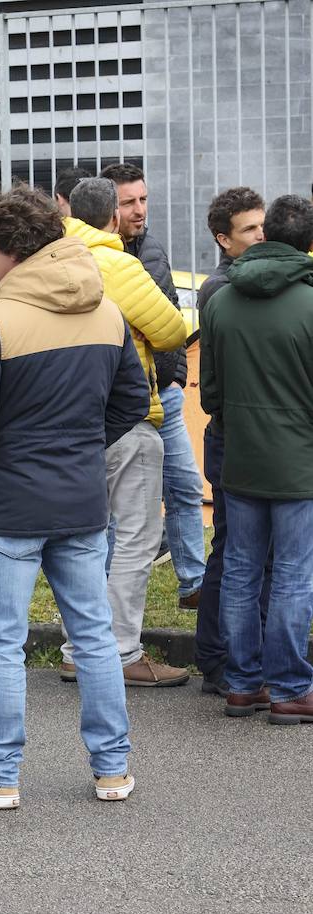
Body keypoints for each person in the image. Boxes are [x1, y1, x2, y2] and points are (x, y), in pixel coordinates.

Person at [0, 186, 148, 809]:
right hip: (81, 498)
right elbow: (132, 402)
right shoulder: (106, 311)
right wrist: (85, 446)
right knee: (93, 636)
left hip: (7, 503)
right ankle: (113, 769)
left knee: (3, 643)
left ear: (10, 251)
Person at [60, 178, 190, 687]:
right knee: (135, 540)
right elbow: (172, 330)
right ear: (113, 218)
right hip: (124, 417)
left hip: (65, 424)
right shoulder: (117, 264)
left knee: (83, 544)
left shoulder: (50, 259)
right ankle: (121, 652)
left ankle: (76, 649)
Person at [200, 194, 313, 723]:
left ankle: (242, 684)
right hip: (298, 462)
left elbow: (211, 397)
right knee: (292, 573)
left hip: (240, 455)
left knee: (241, 570)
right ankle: (290, 686)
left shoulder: (221, 299)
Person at [101, 162, 206, 609]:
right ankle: (106, 595)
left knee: (184, 485)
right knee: (114, 508)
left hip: (161, 390)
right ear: (111, 207)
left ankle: (194, 584)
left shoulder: (152, 249)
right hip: (121, 400)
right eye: (129, 202)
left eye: (143, 199)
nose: (139, 209)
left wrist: (178, 376)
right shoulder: (99, 258)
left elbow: (172, 316)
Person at [194, 187, 267, 695]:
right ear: (224, 239)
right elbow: (217, 389)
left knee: (243, 551)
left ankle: (228, 658)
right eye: (250, 229)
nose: (262, 235)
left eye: (263, 225)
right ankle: (218, 659)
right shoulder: (222, 290)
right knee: (233, 551)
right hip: (232, 437)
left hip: (241, 435)